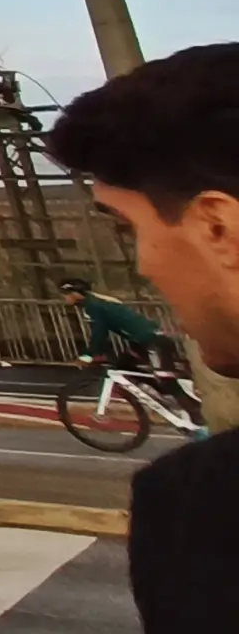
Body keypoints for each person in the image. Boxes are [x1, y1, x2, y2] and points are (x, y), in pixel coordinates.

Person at [46, 42, 239, 634]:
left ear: (217, 226)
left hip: (148, 347)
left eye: (132, 228)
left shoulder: (202, 506)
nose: (143, 263)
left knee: (160, 376)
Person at [59, 277, 169, 372]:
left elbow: (99, 333)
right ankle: (148, 388)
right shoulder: (94, 301)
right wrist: (96, 352)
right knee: (124, 369)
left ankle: (165, 389)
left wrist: (88, 356)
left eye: (65, 295)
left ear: (76, 294)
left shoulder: (93, 306)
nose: (64, 298)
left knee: (165, 378)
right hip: (140, 341)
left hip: (151, 340)